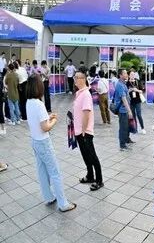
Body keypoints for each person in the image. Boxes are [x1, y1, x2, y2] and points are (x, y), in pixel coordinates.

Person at [26, 74, 77, 212]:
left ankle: (48, 197)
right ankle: (63, 203)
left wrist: (48, 117)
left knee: (42, 170)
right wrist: (53, 120)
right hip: (43, 142)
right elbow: (45, 127)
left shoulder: (29, 102)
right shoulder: (39, 104)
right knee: (55, 173)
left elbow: (37, 121)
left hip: (35, 141)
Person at [73, 71, 103, 191]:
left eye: (76, 77)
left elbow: (86, 113)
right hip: (79, 131)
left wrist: (84, 131)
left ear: (83, 79)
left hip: (85, 132)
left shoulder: (86, 94)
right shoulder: (79, 93)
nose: (75, 80)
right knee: (85, 155)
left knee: (92, 156)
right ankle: (90, 175)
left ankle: (99, 180)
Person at [114, 69, 134, 151]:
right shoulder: (120, 85)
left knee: (126, 127)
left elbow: (125, 95)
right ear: (120, 75)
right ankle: (122, 145)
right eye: (125, 73)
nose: (127, 75)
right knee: (123, 128)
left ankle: (125, 141)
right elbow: (123, 99)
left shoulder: (123, 84)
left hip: (125, 109)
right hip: (122, 110)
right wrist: (129, 111)